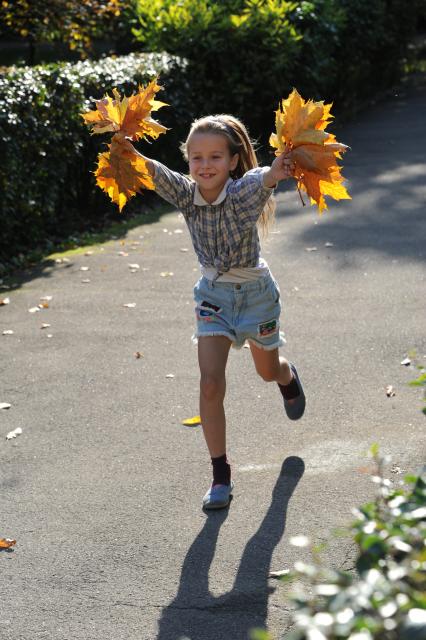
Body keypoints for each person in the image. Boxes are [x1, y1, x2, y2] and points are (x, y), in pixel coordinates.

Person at [139, 114, 305, 510]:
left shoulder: (243, 192)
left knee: (267, 371)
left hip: (256, 296)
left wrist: (279, 169)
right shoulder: (186, 195)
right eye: (196, 158)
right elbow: (157, 173)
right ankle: (220, 475)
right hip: (213, 297)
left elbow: (263, 179)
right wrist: (129, 154)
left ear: (232, 161)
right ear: (189, 161)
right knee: (210, 383)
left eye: (215, 156)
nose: (205, 165)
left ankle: (286, 375)